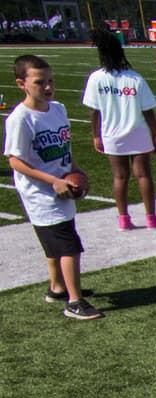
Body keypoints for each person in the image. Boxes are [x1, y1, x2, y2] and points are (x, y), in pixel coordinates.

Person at [5, 54, 101, 319]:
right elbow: (15, 161)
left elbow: (62, 148)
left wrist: (76, 170)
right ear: (21, 83)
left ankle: (58, 287)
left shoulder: (57, 108)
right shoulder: (21, 118)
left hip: (62, 185)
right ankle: (74, 301)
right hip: (41, 193)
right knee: (69, 247)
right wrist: (54, 181)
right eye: (39, 82)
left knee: (56, 242)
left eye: (50, 81)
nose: (47, 87)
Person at [82, 26, 156, 231]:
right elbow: (148, 111)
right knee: (143, 175)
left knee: (120, 177)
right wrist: (155, 135)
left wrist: (95, 135)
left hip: (112, 133)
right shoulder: (134, 78)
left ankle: (123, 219)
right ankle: (151, 217)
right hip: (138, 131)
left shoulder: (96, 78)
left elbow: (94, 111)